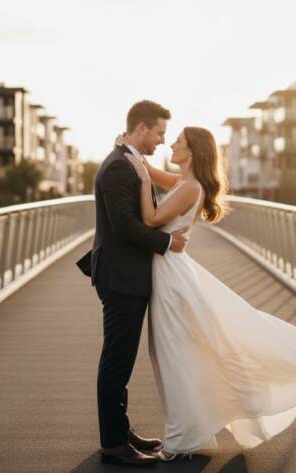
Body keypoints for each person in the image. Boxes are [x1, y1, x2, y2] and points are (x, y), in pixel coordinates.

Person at [119, 126, 296, 461]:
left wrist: (143, 179)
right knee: (176, 352)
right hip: (170, 272)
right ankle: (190, 432)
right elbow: (150, 171)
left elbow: (149, 219)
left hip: (170, 278)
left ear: (191, 152)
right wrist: (131, 151)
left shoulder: (188, 187)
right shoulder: (185, 183)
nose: (172, 144)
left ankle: (182, 439)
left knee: (172, 354)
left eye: (178, 141)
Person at [77, 100, 189, 466]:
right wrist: (167, 243)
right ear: (141, 128)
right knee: (116, 360)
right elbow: (124, 226)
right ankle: (113, 443)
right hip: (121, 276)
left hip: (126, 274)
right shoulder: (117, 168)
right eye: (158, 133)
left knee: (121, 359)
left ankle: (119, 430)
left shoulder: (129, 162)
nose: (161, 140)